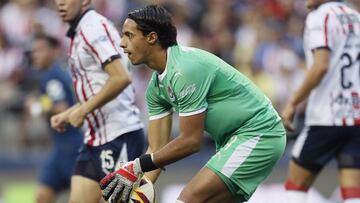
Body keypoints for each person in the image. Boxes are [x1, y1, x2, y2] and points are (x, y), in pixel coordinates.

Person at [100, 5, 286, 203]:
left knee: (188, 199)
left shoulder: (184, 70)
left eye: (129, 35)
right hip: (232, 141)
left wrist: (136, 167)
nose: (122, 44)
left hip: (259, 133)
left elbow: (190, 141)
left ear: (151, 37)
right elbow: (157, 147)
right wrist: (143, 184)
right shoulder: (155, 88)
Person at [52, 0, 145, 202]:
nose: (60, 3)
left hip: (119, 135)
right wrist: (71, 112)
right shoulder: (83, 30)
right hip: (95, 139)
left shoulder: (92, 28)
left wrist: (83, 111)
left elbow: (120, 78)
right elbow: (103, 85)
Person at [281, 0, 360, 203]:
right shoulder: (355, 16)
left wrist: (292, 102)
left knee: (295, 186)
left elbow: (320, 66)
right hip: (356, 117)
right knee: (352, 192)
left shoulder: (320, 16)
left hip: (326, 116)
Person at [28, 34, 83, 203]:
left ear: (53, 52)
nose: (35, 55)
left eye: (41, 50)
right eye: (34, 51)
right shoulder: (57, 73)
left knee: (86, 197)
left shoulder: (51, 76)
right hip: (62, 146)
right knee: (43, 195)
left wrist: (36, 107)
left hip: (70, 146)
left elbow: (62, 107)